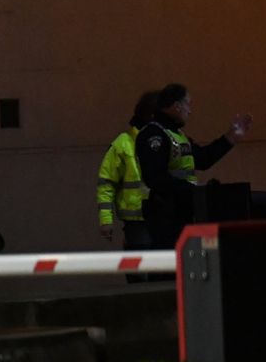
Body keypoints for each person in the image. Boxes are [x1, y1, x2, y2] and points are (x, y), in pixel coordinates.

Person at [136, 82, 253, 252]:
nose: (190, 111)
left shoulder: (178, 135)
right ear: (177, 106)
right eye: (188, 104)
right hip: (166, 212)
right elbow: (156, 177)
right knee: (171, 259)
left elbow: (204, 159)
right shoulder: (153, 135)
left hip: (184, 208)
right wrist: (191, 191)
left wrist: (231, 138)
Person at [97, 91, 158, 251]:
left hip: (165, 217)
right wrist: (106, 220)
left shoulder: (167, 140)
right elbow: (106, 183)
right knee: (143, 261)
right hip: (137, 222)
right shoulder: (123, 143)